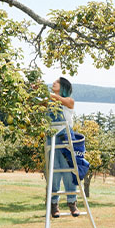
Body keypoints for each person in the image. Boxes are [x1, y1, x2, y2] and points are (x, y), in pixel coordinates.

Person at [48, 77, 80, 218]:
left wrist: (44, 93)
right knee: (54, 172)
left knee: (69, 172)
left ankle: (72, 203)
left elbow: (59, 99)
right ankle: (54, 205)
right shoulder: (48, 102)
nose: (54, 83)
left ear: (63, 87)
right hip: (51, 137)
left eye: (57, 82)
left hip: (65, 137)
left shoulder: (69, 101)